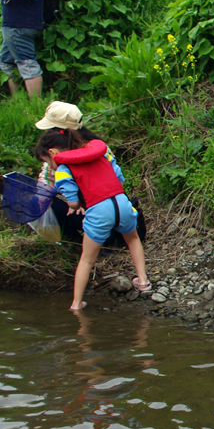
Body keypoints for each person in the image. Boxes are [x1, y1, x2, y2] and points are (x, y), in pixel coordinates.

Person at [34, 102, 150, 310]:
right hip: (120, 203)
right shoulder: (99, 148)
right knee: (133, 239)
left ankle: (76, 304)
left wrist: (75, 202)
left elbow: (59, 194)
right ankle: (143, 282)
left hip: (97, 211)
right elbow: (118, 178)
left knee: (86, 260)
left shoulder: (62, 163)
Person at [0, 0, 44, 97]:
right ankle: (19, 102)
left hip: (19, 21)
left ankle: (35, 106)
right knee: (7, 63)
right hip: (22, 19)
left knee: (27, 63)